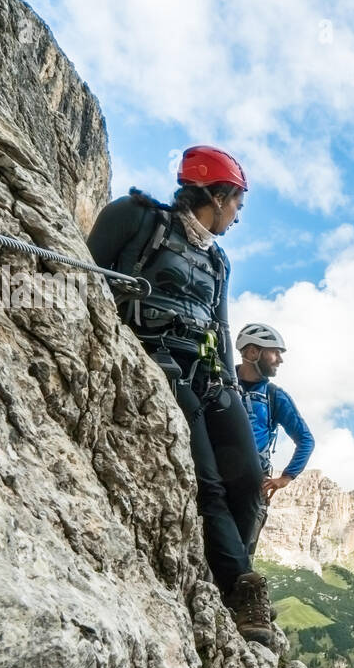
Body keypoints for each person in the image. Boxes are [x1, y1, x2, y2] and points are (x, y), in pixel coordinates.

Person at [85, 145, 270, 640]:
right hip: (156, 359)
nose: (237, 216)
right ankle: (241, 588)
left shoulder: (218, 260)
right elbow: (85, 276)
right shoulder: (136, 218)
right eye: (237, 205)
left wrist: (230, 386)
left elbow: (222, 324)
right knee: (205, 477)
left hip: (208, 370)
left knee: (249, 482)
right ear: (218, 193)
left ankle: (234, 568)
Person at [234, 323, 315, 556]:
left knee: (241, 556)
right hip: (215, 478)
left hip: (252, 483)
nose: (280, 360)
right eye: (275, 352)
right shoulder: (220, 381)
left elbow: (306, 440)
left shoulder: (274, 396)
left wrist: (285, 478)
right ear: (252, 352)